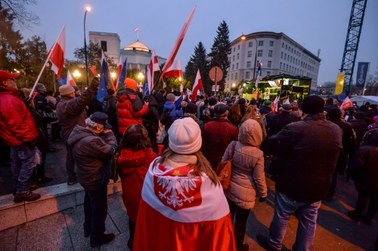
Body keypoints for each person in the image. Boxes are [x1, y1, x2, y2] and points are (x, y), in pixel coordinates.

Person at [133, 117, 236, 251]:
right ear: (198, 143)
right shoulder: (209, 184)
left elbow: (146, 223)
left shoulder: (153, 170)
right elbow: (220, 237)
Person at [257, 95, 343, 251]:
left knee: (282, 216)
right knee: (309, 221)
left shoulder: (296, 128)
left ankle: (274, 244)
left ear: (303, 109)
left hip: (292, 183)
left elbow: (271, 145)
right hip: (318, 186)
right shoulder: (336, 130)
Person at [67, 112, 117, 247]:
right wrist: (110, 135)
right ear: (99, 128)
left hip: (85, 176)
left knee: (89, 203)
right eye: (104, 127)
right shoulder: (91, 141)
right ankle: (97, 237)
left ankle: (88, 228)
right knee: (99, 209)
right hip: (95, 178)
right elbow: (110, 151)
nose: (106, 129)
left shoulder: (79, 132)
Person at [222, 119, 267, 251]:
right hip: (247, 194)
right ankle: (237, 246)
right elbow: (259, 177)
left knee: (228, 219)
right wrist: (263, 193)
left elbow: (224, 162)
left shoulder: (233, 145)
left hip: (230, 187)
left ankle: (225, 243)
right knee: (241, 224)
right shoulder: (258, 154)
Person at [0, 70, 41, 203]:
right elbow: (16, 124)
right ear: (4, 82)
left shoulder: (8, 98)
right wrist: (30, 138)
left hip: (15, 140)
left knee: (17, 163)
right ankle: (22, 191)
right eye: (12, 79)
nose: (15, 82)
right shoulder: (8, 100)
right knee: (28, 163)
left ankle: (19, 187)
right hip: (21, 139)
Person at [117, 124, 157, 249]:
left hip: (129, 194)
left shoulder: (121, 155)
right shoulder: (150, 156)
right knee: (145, 221)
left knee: (132, 219)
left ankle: (133, 242)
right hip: (145, 195)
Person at [56, 78, 99, 185]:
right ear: (70, 94)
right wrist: (92, 87)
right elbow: (81, 101)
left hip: (72, 133)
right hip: (75, 135)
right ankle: (76, 177)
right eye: (73, 92)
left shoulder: (62, 104)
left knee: (71, 157)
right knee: (76, 157)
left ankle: (72, 177)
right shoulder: (68, 105)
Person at [346, 131, 378, 225]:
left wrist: (351, 174)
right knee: (375, 200)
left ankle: (357, 213)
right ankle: (369, 217)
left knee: (363, 197)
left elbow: (356, 165)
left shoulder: (365, 150)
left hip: (365, 179)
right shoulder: (366, 150)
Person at [202, 103, 238, 170]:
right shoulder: (233, 128)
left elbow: (202, 144)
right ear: (226, 113)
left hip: (209, 160)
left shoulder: (206, 126)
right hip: (225, 161)